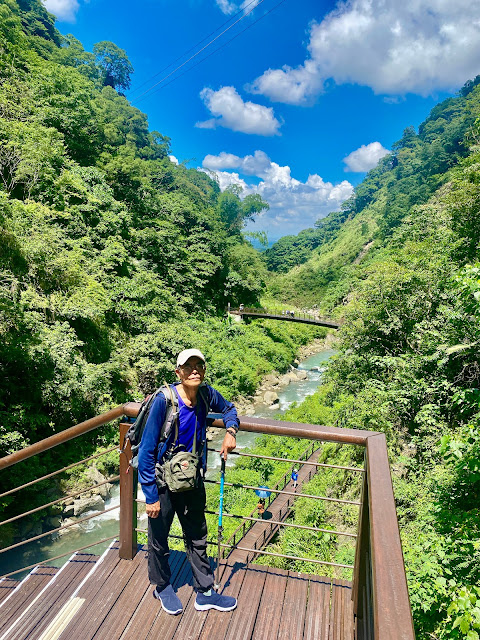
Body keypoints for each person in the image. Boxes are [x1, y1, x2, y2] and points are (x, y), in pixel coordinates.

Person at [138, 348, 239, 616]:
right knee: (159, 537)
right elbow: (146, 450)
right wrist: (149, 495)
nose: (195, 370)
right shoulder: (164, 400)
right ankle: (161, 586)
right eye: (188, 366)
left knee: (197, 535)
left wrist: (230, 431)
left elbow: (229, 409)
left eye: (199, 366)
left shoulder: (206, 394)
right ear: (178, 372)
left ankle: (205, 592)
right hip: (162, 482)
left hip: (192, 479)